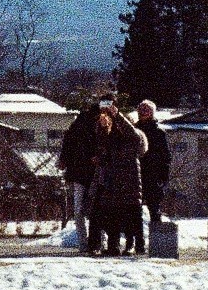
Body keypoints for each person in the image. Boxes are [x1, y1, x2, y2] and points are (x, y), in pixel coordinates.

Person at [93, 100, 148, 256]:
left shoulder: (134, 137)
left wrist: (117, 115)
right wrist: (103, 125)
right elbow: (103, 147)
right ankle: (113, 245)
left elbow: (132, 135)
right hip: (113, 179)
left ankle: (135, 245)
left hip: (129, 179)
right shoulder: (111, 137)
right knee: (112, 214)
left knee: (132, 215)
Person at [58, 100, 102, 249]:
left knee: (81, 211)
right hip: (89, 172)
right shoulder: (87, 123)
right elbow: (68, 142)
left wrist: (64, 160)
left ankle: (87, 243)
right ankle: (92, 243)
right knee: (92, 211)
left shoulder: (79, 123)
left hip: (82, 172)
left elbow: (67, 143)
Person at [134, 100, 170, 241]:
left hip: (153, 176)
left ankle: (158, 242)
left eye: (146, 109)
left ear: (152, 112)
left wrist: (163, 177)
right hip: (136, 174)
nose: (142, 112)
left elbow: (166, 156)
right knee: (134, 212)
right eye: (140, 109)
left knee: (154, 211)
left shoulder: (159, 132)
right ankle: (138, 243)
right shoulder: (134, 129)